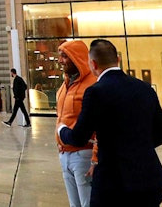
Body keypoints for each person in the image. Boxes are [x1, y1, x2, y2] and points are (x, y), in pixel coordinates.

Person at [59, 38, 162, 206]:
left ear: (93, 64)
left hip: (113, 181)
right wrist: (137, 148)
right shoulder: (145, 88)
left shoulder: (96, 92)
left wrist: (62, 130)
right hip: (148, 178)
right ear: (118, 59)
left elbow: (79, 137)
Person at [55, 40, 97, 207]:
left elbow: (100, 125)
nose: (60, 61)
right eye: (60, 56)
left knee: (88, 203)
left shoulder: (92, 85)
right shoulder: (65, 84)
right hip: (64, 153)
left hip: (83, 154)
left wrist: (95, 157)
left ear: (77, 58)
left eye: (65, 56)